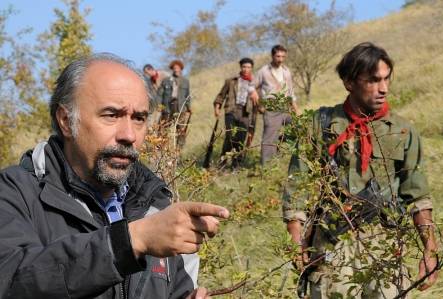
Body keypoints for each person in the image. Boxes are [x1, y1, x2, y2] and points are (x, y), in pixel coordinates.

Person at [0, 53, 230, 299]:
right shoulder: (16, 193)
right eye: (111, 115)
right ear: (66, 121)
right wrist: (129, 242)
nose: (129, 135)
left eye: (139, 118)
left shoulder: (154, 205)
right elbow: (11, 281)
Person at [283, 42, 437, 298]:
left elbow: (418, 198)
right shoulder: (319, 125)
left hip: (386, 250)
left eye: (387, 79)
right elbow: (297, 190)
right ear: (349, 82)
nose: (384, 88)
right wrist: (297, 244)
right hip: (331, 250)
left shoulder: (402, 131)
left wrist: (429, 253)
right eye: (373, 80)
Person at [254, 44, 300, 165]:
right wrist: (259, 104)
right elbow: (252, 87)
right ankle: (266, 166)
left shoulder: (286, 71)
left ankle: (280, 143)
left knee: (299, 128)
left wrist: (296, 109)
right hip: (271, 107)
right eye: (278, 56)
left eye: (283, 56)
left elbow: (290, 91)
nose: (280, 59)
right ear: (272, 56)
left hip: (286, 106)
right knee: (269, 137)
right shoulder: (263, 71)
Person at [213, 57, 259, 169]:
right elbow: (221, 95)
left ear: (252, 68)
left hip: (246, 113)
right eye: (244, 66)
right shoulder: (231, 81)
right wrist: (217, 107)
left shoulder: (256, 83)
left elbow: (259, 103)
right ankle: (222, 163)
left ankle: (236, 165)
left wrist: (256, 95)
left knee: (241, 139)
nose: (246, 69)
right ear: (241, 67)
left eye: (248, 67)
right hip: (231, 111)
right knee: (230, 136)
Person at [157, 60, 191, 148]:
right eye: (174, 68)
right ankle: (160, 148)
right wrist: (160, 106)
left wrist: (189, 108)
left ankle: (179, 149)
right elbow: (160, 94)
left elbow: (188, 96)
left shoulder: (185, 81)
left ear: (181, 69)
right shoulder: (166, 80)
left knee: (181, 129)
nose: (176, 70)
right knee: (163, 128)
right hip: (168, 107)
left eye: (178, 68)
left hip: (180, 107)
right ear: (172, 69)